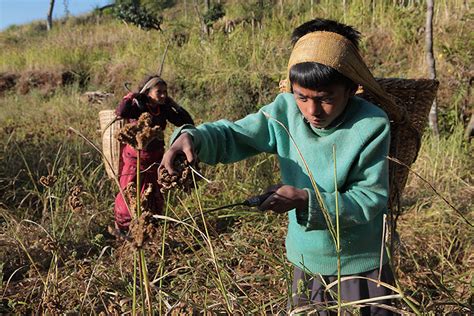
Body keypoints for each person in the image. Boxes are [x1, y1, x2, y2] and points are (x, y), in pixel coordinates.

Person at [159, 19, 398, 315]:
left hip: (359, 264)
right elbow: (235, 134)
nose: (312, 111)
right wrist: (191, 138)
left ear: (350, 89)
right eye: (302, 97)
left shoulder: (370, 125)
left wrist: (305, 199)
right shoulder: (284, 112)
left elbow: (369, 199)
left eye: (326, 99)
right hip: (306, 260)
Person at [114, 75, 194, 231]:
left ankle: (148, 226)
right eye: (159, 92)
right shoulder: (139, 106)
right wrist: (130, 97)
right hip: (135, 158)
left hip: (156, 158)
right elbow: (121, 112)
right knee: (130, 191)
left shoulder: (163, 108)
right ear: (148, 92)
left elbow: (187, 122)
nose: (164, 95)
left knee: (152, 193)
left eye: (166, 92)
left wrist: (175, 105)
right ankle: (125, 227)